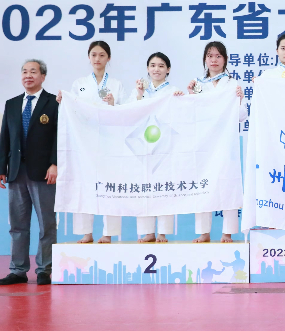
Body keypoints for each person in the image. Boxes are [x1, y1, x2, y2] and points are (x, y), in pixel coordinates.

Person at [0, 60, 58, 285]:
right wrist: (1, 168)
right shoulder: (12, 104)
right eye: (24, 71)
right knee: (18, 225)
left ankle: (44, 269)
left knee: (46, 224)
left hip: (43, 172)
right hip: (16, 172)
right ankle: (18, 270)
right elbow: (5, 137)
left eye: (33, 71)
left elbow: (59, 137)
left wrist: (55, 163)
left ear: (43, 76)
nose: (28, 75)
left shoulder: (53, 103)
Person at [56, 41, 126, 244]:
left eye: (102, 55)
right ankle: (85, 232)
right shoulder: (79, 83)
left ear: (108, 58)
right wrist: (63, 102)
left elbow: (125, 112)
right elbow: (72, 111)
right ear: (89, 57)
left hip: (109, 142)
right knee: (83, 184)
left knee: (110, 186)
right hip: (84, 141)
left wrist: (113, 104)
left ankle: (108, 232)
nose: (97, 59)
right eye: (94, 55)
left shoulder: (117, 84)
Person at [186, 41, 248, 243]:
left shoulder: (232, 84)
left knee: (228, 184)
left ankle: (227, 232)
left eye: (218, 56)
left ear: (225, 59)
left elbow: (242, 116)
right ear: (205, 59)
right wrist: (190, 97)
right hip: (203, 143)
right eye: (210, 56)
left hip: (226, 142)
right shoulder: (198, 85)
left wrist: (240, 99)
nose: (214, 60)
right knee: (202, 184)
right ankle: (203, 232)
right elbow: (192, 115)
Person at [135, 52, 184, 242]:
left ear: (168, 70)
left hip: (165, 146)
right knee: (144, 189)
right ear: (148, 69)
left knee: (164, 188)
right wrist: (139, 95)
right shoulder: (140, 89)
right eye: (153, 65)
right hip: (142, 145)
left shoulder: (173, 91)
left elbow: (181, 116)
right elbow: (130, 113)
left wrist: (180, 99)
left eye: (161, 66)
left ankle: (162, 231)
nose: (157, 69)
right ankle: (148, 231)